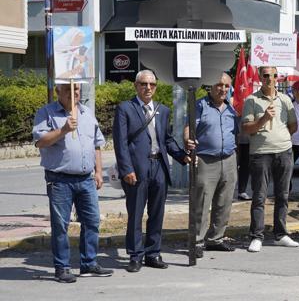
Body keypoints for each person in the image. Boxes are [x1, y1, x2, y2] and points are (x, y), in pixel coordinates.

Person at [32, 83, 113, 283]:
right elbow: (40, 141)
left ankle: (89, 264)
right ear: (57, 91)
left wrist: (99, 172)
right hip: (60, 180)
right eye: (68, 89)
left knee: (92, 222)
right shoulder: (47, 112)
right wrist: (64, 130)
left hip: (86, 179)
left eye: (76, 88)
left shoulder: (86, 113)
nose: (74, 92)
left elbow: (97, 144)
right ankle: (62, 267)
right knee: (61, 226)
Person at [113, 70, 192, 272]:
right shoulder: (125, 108)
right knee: (136, 213)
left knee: (157, 213)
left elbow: (166, 139)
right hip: (137, 169)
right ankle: (135, 255)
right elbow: (120, 143)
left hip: (159, 167)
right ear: (136, 86)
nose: (148, 88)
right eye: (143, 84)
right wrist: (126, 169)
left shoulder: (162, 110)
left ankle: (153, 253)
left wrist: (183, 156)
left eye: (152, 85)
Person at [242, 66, 299, 252]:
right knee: (259, 196)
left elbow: (293, 125)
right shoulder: (251, 100)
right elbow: (247, 129)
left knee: (283, 195)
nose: (269, 79)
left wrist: (280, 137)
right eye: (265, 75)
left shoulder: (285, 99)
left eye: (272, 76)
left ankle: (281, 234)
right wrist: (264, 119)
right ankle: (257, 236)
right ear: (260, 77)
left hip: (284, 152)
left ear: (277, 78)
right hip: (260, 153)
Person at [186, 73, 238, 258]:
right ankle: (197, 240)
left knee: (224, 202)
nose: (223, 89)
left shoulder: (232, 107)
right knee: (202, 202)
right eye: (219, 85)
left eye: (226, 86)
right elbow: (189, 127)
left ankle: (216, 239)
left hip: (229, 159)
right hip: (206, 160)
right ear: (210, 87)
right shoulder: (200, 105)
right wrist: (187, 139)